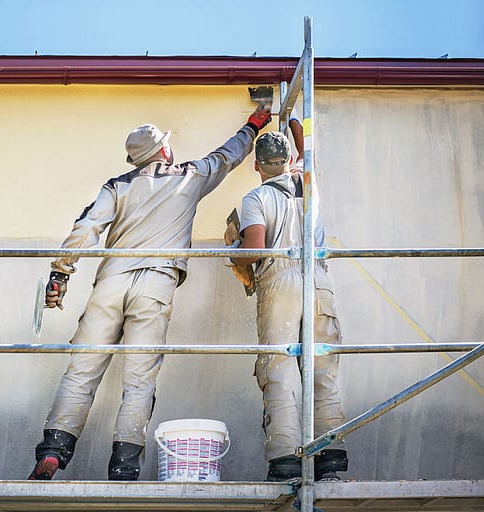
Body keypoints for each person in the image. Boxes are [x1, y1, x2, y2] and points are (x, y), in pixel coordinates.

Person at [28, 106, 272, 481]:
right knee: (139, 380)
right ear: (164, 151)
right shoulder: (190, 177)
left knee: (81, 372)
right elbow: (228, 156)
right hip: (156, 284)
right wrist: (254, 124)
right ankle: (124, 467)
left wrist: (60, 274)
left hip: (111, 282)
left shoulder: (117, 186)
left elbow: (86, 227)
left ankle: (54, 452)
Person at [232, 131, 349, 481]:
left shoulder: (257, 197)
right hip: (318, 278)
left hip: (281, 280)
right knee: (322, 368)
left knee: (280, 368)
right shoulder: (308, 183)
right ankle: (331, 459)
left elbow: (256, 249)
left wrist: (233, 248)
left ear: (256, 165)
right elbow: (305, 146)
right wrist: (295, 118)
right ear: (289, 161)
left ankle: (285, 462)